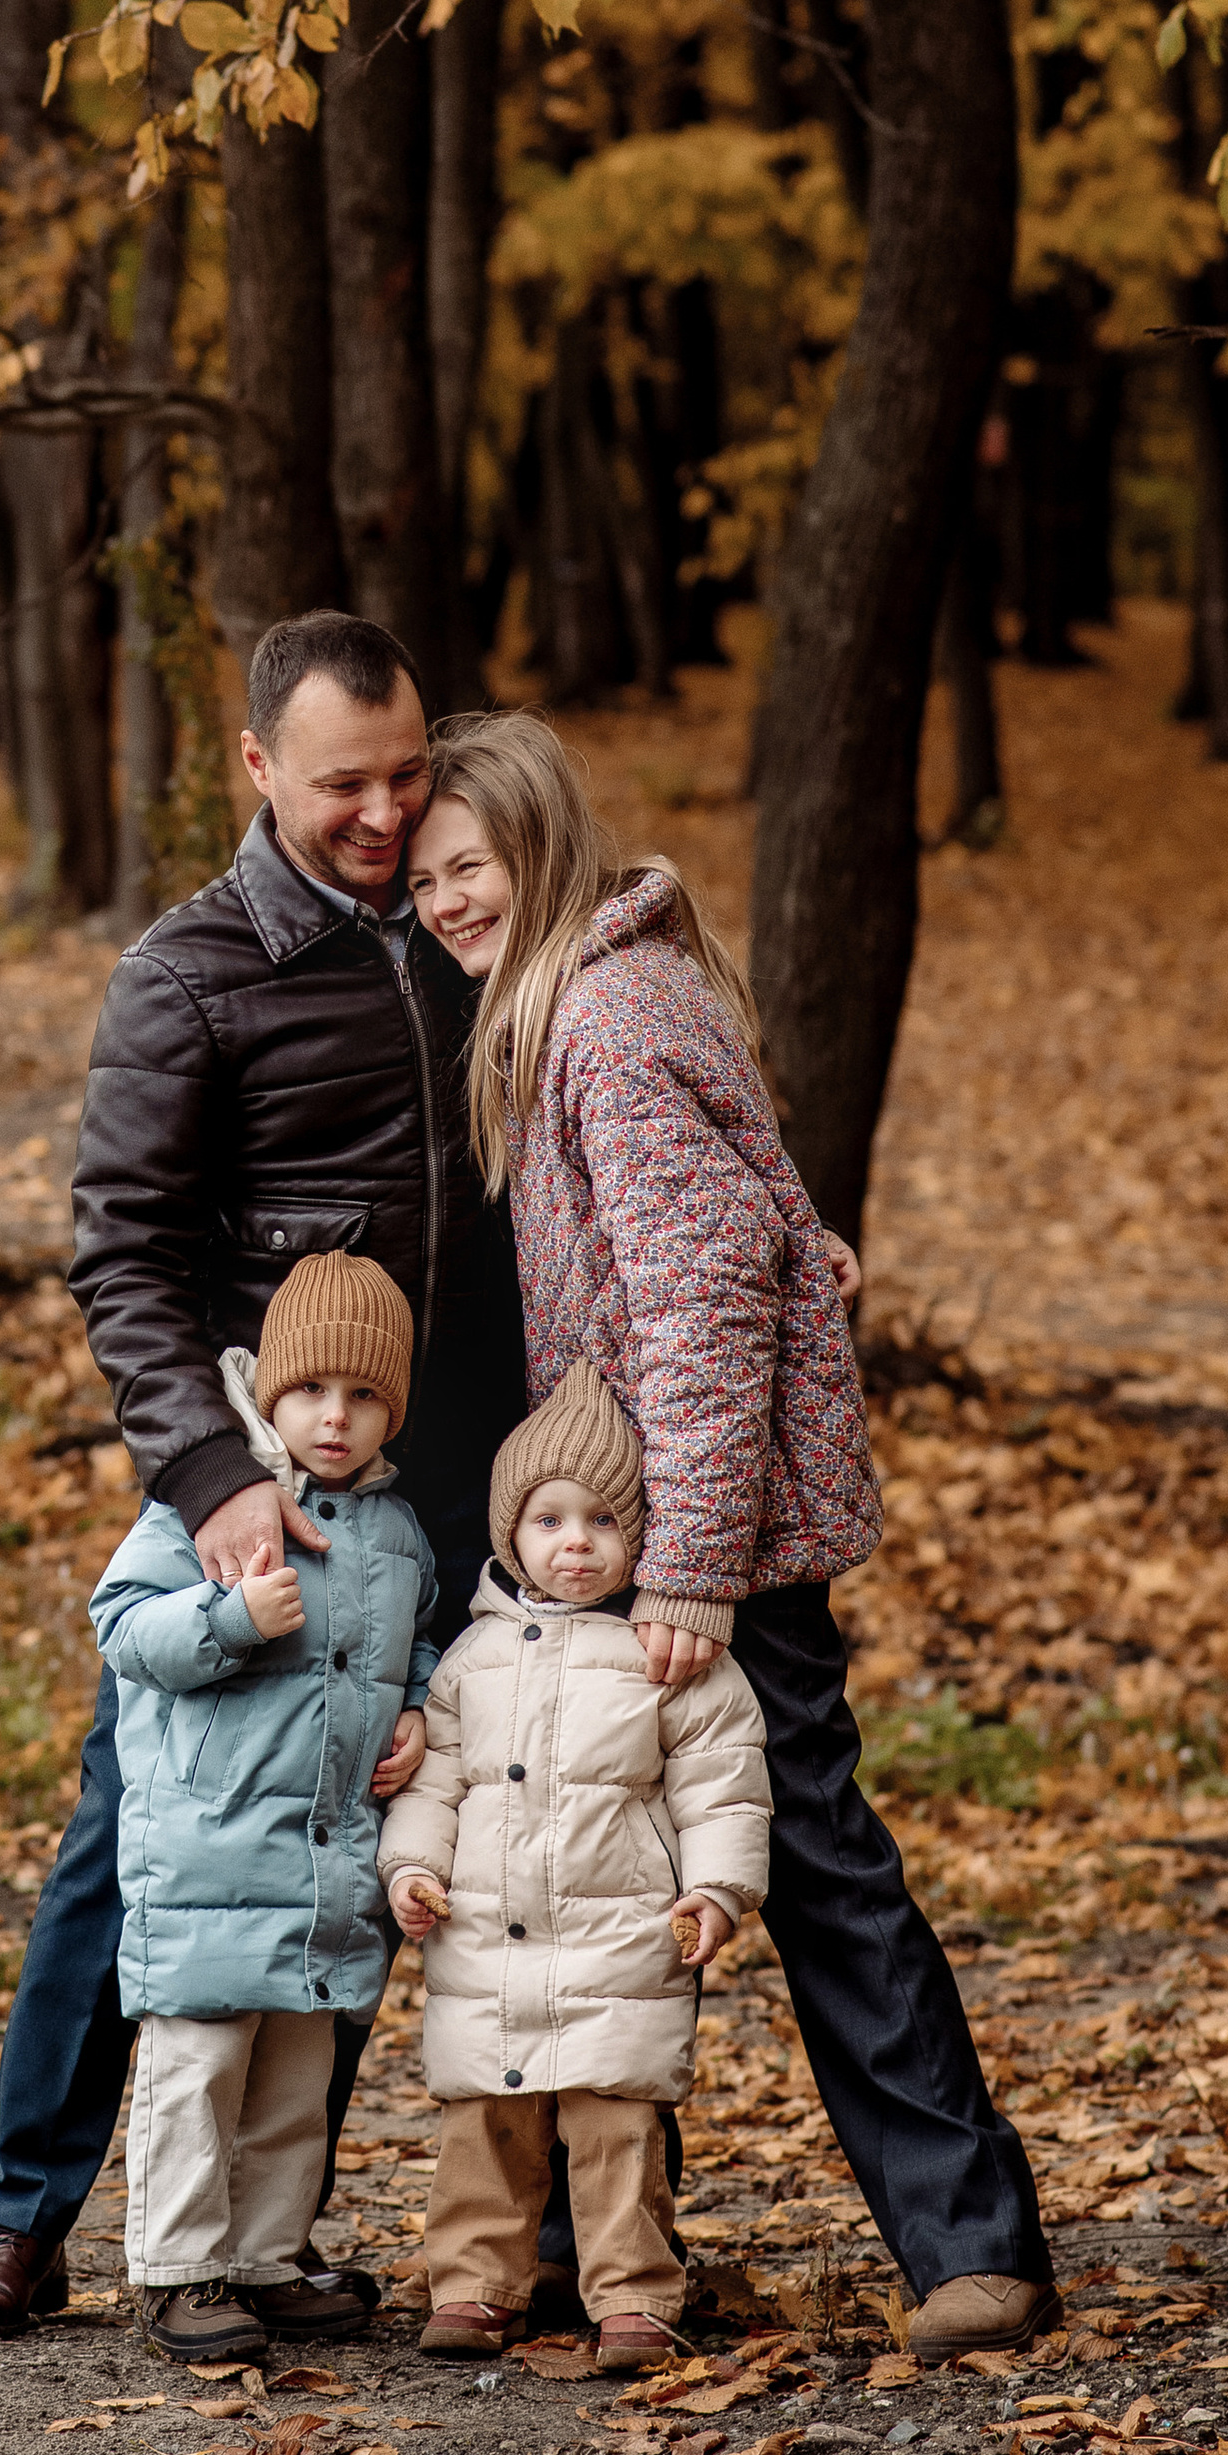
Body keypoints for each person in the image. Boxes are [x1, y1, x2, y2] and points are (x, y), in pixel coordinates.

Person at [405, 709, 1059, 2364]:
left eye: (466, 868)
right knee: (585, 1858)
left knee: (817, 1863)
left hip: (711, 1544)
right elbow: (742, 1212)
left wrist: (690, 1561)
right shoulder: (596, 994)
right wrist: (805, 1228)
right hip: (635, 1525)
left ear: (538, 848)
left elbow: (698, 1312)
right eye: (423, 880)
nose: (444, 902)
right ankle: (581, 2250)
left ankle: (972, 2241)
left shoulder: (604, 1021)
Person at [0, 609, 535, 2338]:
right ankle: (26, 2217)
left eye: (410, 772)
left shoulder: (464, 929)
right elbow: (121, 1251)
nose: (385, 810)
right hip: (259, 1473)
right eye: (348, 780)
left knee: (349, 1835)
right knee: (142, 1833)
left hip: (435, 1482)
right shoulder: (192, 970)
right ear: (261, 767)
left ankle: (260, 2237)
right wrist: (209, 1478)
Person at [381, 1363, 770, 2371]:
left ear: (637, 1536)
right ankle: (472, 2284)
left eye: (601, 1521)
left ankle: (636, 2298)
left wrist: (716, 1891)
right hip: (488, 1941)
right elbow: (433, 1785)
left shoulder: (670, 1655)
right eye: (549, 1521)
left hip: (620, 1938)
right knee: (486, 2128)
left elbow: (722, 1784)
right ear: (512, 1533)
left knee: (616, 2132)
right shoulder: (470, 1659)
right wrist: (412, 1870)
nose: (575, 1544)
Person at [93, 1252, 438, 2363]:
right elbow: (122, 1628)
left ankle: (265, 2256)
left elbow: (419, 1641)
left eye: (364, 1397)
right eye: (309, 1393)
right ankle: (178, 2267)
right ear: (267, 1393)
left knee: (297, 2072)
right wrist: (230, 1617)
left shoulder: (397, 1537)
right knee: (197, 2067)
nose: (334, 1418)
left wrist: (420, 1710)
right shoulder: (201, 1507)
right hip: (207, 1846)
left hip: (324, 1857)